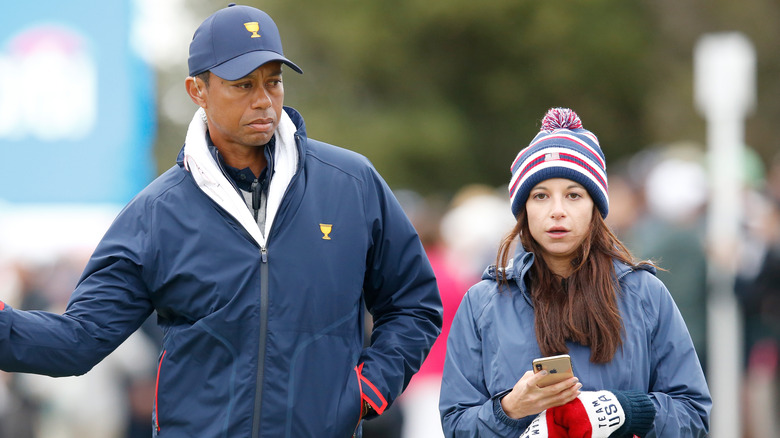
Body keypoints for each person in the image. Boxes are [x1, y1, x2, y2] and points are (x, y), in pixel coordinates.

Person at [0, 4, 442, 437]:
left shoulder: (352, 183)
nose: (264, 101)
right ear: (197, 91)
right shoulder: (157, 214)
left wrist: (366, 392)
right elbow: (79, 339)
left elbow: (415, 304)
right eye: (243, 85)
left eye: (274, 82)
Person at [439, 108, 711, 437]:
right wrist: (510, 409)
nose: (557, 211)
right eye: (540, 196)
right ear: (523, 207)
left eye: (573, 195)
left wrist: (625, 410)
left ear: (595, 206)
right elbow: (455, 424)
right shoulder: (483, 302)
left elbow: (693, 414)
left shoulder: (644, 294)